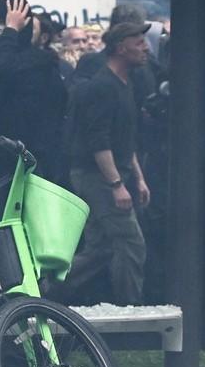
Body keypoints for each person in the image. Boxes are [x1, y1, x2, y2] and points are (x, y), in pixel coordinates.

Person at [61, 21, 152, 306]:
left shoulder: (125, 84)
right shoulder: (102, 87)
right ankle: (130, 310)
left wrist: (137, 178)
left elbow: (125, 141)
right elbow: (99, 143)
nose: (145, 47)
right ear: (120, 47)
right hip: (97, 177)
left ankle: (45, 292)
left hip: (112, 176)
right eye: (138, 42)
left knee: (99, 249)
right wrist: (116, 185)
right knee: (131, 243)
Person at [0, 0, 67, 187]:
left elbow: (0, 70)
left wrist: (10, 31)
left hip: (31, 160)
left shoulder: (39, 62)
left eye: (2, 22)